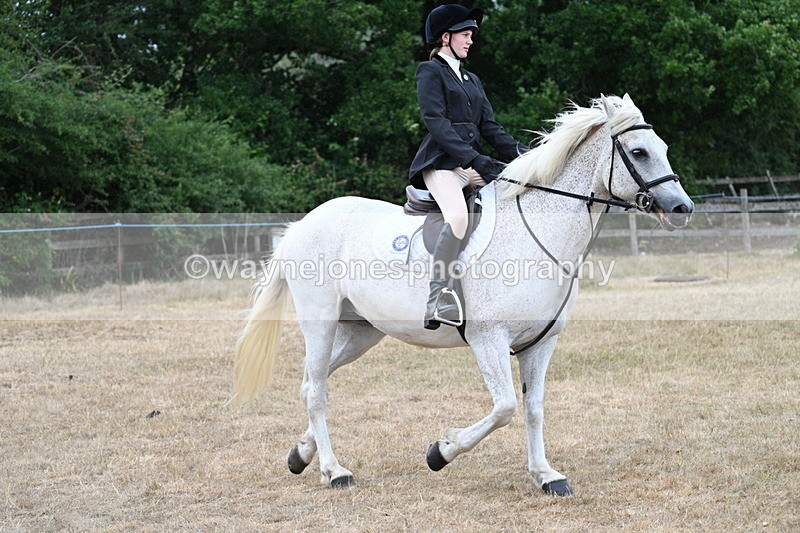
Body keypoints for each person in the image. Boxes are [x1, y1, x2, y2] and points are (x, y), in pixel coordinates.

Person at [409, 3, 529, 330]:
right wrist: (474, 159)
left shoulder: (471, 78)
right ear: (445, 37)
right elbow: (437, 123)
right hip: (442, 164)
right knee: (459, 216)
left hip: (472, 162)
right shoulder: (430, 71)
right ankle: (438, 298)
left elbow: (490, 127)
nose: (471, 40)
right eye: (465, 34)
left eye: (471, 35)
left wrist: (525, 155)